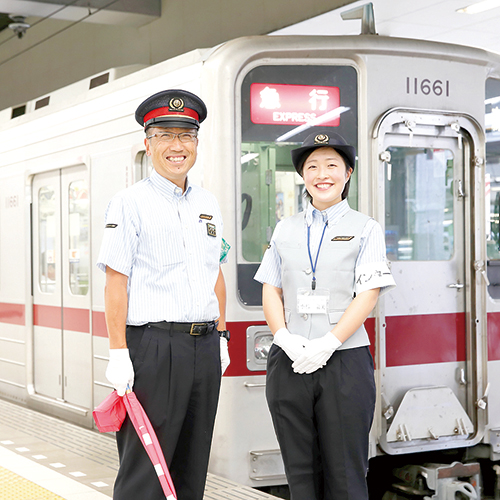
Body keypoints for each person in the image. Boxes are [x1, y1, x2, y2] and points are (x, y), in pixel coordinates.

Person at [96, 89, 231, 500]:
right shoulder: (129, 203)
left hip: (204, 346)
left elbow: (215, 272)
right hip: (153, 346)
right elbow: (115, 281)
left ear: (196, 142)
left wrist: (222, 335)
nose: (177, 146)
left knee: (192, 463)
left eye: (186, 135)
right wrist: (118, 352)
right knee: (145, 468)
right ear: (148, 143)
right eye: (165, 135)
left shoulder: (208, 204)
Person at [254, 131, 396, 500]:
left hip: (344, 362)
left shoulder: (365, 229)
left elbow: (368, 293)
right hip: (290, 360)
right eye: (312, 166)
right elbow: (271, 288)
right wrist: (282, 337)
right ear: (302, 176)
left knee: (346, 474)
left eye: (332, 165)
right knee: (299, 473)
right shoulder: (285, 229)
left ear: (348, 173)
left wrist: (330, 342)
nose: (322, 173)